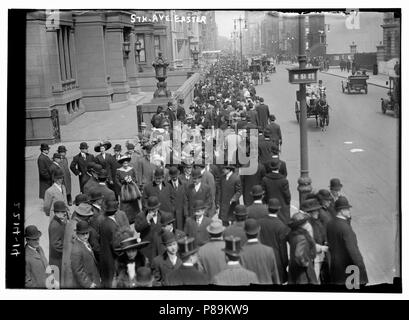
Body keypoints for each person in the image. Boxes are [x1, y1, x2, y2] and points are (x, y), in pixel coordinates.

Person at [326, 196, 368, 285]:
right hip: (348, 271)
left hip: (335, 269)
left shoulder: (330, 224)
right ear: (341, 211)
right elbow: (353, 251)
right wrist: (360, 267)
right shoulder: (345, 228)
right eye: (347, 209)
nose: (349, 211)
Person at [258, 198, 290, 284]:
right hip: (276, 261)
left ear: (268, 208)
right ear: (279, 209)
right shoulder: (281, 226)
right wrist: (285, 263)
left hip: (262, 258)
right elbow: (283, 249)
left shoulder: (259, 222)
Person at [240, 219, 280, 284]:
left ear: (245, 232)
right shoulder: (268, 251)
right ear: (259, 230)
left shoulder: (241, 252)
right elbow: (275, 274)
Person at [300, 199, 329, 284]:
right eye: (315, 210)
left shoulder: (316, 221)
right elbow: (310, 244)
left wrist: (325, 242)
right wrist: (323, 248)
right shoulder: (307, 225)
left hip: (319, 257)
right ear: (309, 212)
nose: (317, 212)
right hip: (313, 258)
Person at [287, 211, 318, 285]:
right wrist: (305, 263)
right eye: (305, 222)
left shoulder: (292, 234)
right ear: (301, 225)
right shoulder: (302, 237)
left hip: (294, 268)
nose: (307, 223)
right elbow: (298, 254)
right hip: (302, 272)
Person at [70, 220, 101, 288]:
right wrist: (88, 284)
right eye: (82, 234)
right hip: (86, 284)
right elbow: (77, 271)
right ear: (77, 234)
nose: (85, 236)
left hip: (93, 278)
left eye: (87, 233)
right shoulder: (76, 249)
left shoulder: (85, 242)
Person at [261, 159, 291, 224]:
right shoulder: (284, 180)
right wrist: (287, 203)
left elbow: (263, 194)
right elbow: (287, 196)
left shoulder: (265, 179)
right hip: (282, 207)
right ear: (279, 167)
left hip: (270, 205)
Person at [134, 196, 163, 262]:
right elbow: (137, 228)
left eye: (155, 209)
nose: (153, 211)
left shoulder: (162, 214)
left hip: (159, 246)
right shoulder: (141, 215)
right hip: (147, 248)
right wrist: (147, 220)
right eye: (151, 209)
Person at [116, 155, 142, 224]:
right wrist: (123, 183)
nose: (126, 165)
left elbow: (135, 178)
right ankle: (126, 219)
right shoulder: (118, 171)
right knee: (125, 205)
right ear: (122, 164)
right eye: (124, 163)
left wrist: (131, 180)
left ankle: (136, 218)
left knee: (134, 204)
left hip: (132, 189)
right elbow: (117, 181)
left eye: (127, 163)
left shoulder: (132, 169)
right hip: (124, 190)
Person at [48, 201, 67, 274]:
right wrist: (66, 251)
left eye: (64, 211)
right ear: (56, 212)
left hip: (57, 258)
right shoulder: (55, 225)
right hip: (57, 259)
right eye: (62, 212)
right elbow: (55, 244)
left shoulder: (58, 220)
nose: (64, 213)